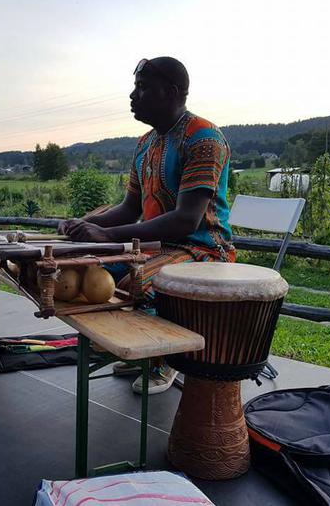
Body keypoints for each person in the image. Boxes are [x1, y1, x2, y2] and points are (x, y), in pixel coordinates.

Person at [60, 57, 235, 395]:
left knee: (135, 281)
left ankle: (165, 357)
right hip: (156, 246)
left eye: (142, 87)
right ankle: (137, 347)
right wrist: (83, 225)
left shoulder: (203, 138)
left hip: (201, 249)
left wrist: (107, 236)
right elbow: (129, 209)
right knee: (89, 267)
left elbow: (187, 219)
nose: (133, 95)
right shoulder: (145, 144)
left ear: (171, 92)